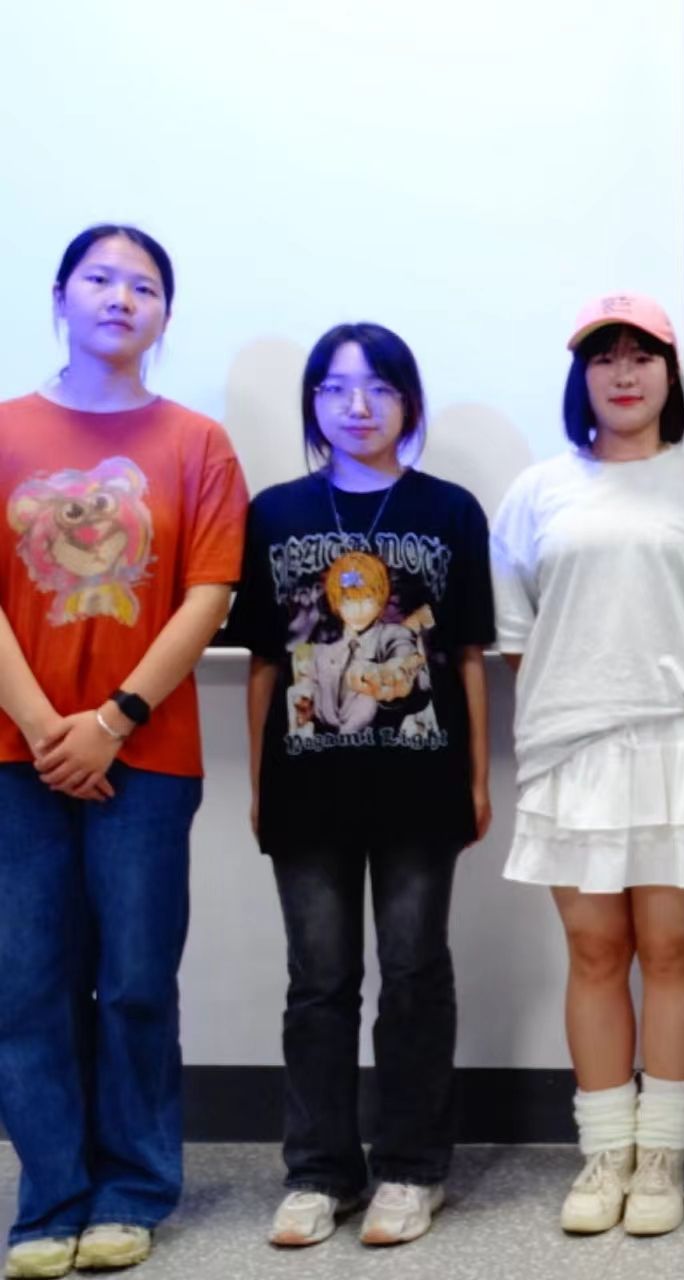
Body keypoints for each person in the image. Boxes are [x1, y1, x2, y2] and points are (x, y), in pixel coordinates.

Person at [492, 293, 684, 1237]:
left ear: (670, 375)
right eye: (603, 357)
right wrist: (593, 695)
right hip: (572, 752)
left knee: (669, 952)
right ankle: (604, 1153)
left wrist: (668, 690)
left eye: (642, 356)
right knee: (593, 953)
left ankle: (661, 1158)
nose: (623, 373)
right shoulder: (537, 492)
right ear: (581, 377)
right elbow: (520, 640)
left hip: (682, 751)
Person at [0, 224, 248, 1278]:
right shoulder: (4, 430)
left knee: (137, 980)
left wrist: (110, 720)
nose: (120, 297)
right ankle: (49, 1200)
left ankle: (133, 1190)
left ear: (164, 314)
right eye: (99, 279)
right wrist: (43, 726)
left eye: (143, 286)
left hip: (147, 755)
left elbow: (209, 594)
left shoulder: (198, 442)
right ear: (60, 296)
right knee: (27, 984)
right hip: (14, 757)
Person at [230, 323, 494, 1248]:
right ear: (313, 403)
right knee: (319, 982)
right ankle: (320, 1173)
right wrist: (259, 782)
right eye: (337, 388)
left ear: (408, 402)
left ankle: (413, 1169)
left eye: (380, 387)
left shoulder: (451, 510)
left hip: (421, 784)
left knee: (415, 974)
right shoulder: (274, 513)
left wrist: (476, 778)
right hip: (307, 789)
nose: (358, 406)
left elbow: (468, 656)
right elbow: (265, 662)